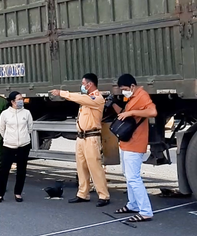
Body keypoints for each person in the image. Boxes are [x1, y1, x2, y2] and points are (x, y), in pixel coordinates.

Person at [51, 73, 110, 207]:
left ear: (90, 84)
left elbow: (78, 98)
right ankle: (83, 193)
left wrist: (62, 93)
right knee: (81, 166)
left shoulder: (96, 98)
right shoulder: (87, 98)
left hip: (91, 137)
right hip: (81, 137)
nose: (82, 86)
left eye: (83, 84)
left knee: (95, 167)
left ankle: (103, 195)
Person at [111, 74, 157, 222]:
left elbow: (152, 112)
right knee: (128, 175)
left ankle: (145, 211)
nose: (123, 92)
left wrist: (131, 112)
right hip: (126, 142)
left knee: (133, 178)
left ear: (132, 86)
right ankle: (133, 205)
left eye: (124, 89)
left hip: (136, 143)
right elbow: (123, 116)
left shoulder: (141, 95)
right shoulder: (131, 97)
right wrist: (112, 104)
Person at [0, 91, 33, 203]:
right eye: (19, 99)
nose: (21, 101)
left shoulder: (26, 113)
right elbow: (2, 129)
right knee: (4, 170)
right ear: (12, 101)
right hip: (9, 145)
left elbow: (30, 128)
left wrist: (23, 137)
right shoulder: (5, 114)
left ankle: (18, 193)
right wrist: (9, 138)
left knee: (21, 170)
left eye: (22, 99)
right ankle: (0, 194)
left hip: (24, 145)